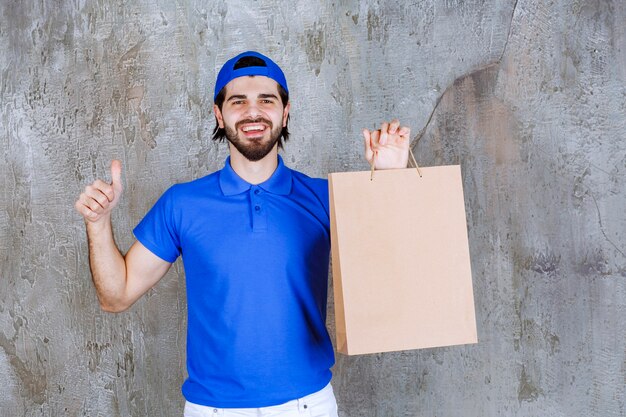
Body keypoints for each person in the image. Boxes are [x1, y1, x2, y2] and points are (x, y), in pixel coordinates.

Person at [74, 51, 411, 417]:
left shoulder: (325, 197)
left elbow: (389, 276)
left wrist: (390, 180)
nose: (253, 112)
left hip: (308, 406)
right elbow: (116, 296)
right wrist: (98, 222)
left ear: (285, 112)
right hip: (212, 409)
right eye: (238, 102)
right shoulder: (182, 204)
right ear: (220, 115)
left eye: (266, 100)